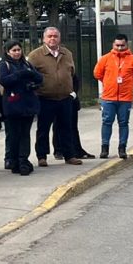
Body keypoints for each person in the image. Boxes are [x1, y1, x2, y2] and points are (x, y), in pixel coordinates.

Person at [26, 27, 81, 167]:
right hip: (45, 98)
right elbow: (29, 77)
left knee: (66, 128)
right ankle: (42, 156)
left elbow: (72, 73)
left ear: (59, 38)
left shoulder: (67, 53)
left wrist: (73, 92)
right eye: (49, 36)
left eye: (55, 36)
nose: (52, 39)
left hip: (65, 98)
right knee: (43, 129)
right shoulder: (35, 55)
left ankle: (69, 155)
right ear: (44, 38)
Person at [92, 34, 133, 159]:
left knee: (123, 123)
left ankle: (122, 148)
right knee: (107, 122)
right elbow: (97, 73)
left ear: (127, 45)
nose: (120, 48)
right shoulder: (105, 59)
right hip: (108, 97)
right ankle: (104, 148)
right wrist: (108, 82)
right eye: (117, 45)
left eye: (122, 45)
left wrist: (130, 85)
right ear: (113, 45)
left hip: (125, 98)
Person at [0, 40, 44, 175]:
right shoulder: (4, 65)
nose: (17, 53)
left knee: (25, 134)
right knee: (13, 135)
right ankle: (14, 160)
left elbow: (39, 78)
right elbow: (4, 80)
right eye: (14, 50)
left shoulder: (27, 64)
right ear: (8, 52)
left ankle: (23, 160)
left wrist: (30, 76)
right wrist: (20, 74)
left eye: (18, 50)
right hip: (12, 105)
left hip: (27, 104)